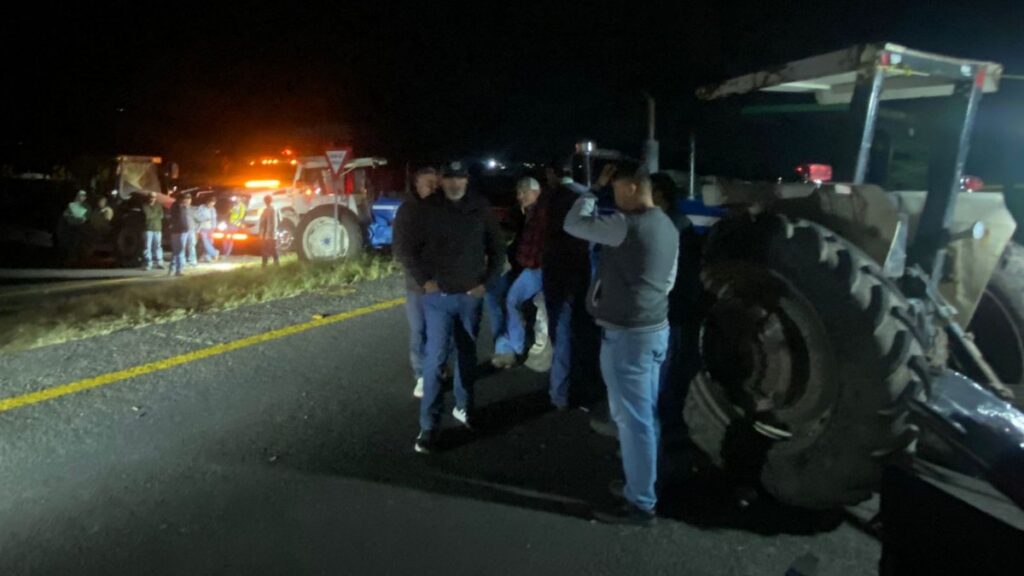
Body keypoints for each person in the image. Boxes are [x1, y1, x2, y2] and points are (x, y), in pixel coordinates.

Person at [564, 161, 679, 526]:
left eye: (615, 191)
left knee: (634, 421)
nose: (612, 198)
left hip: (630, 337)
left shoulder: (627, 225)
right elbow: (669, 281)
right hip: (652, 330)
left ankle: (641, 503)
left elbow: (574, 225)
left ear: (631, 188)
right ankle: (642, 483)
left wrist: (592, 192)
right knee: (642, 416)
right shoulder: (666, 224)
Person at [401, 161, 505, 454]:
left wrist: (486, 282)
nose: (455, 183)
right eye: (449, 178)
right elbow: (408, 249)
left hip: (470, 296)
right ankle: (429, 426)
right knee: (435, 361)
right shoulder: (427, 208)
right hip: (438, 299)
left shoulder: (480, 207)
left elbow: (497, 249)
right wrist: (425, 280)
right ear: (443, 180)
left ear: (467, 180)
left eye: (460, 178)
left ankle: (464, 407)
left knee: (467, 353)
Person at [651, 173, 702, 438]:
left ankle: (661, 439)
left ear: (659, 194)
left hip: (666, 311)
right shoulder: (682, 224)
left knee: (661, 374)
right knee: (668, 372)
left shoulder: (666, 227)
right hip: (676, 309)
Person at [541, 159, 592, 410]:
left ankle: (560, 394)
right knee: (579, 334)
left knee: (560, 334)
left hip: (559, 275)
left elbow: (550, 238)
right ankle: (579, 388)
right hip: (584, 274)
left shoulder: (555, 197)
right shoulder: (586, 194)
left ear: (552, 172)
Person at [394, 167, 440, 398]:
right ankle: (421, 375)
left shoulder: (445, 210)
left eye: (435, 183)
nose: (432, 188)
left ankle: (439, 368)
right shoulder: (408, 212)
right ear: (417, 186)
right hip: (418, 286)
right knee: (420, 330)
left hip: (444, 283)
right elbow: (402, 251)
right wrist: (424, 280)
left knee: (441, 331)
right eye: (427, 184)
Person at [492, 177, 547, 369]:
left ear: (536, 192)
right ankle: (511, 342)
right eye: (518, 192)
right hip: (526, 268)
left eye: (523, 191)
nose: (519, 196)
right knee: (501, 296)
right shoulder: (526, 212)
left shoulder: (541, 213)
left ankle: (514, 346)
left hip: (535, 269)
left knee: (511, 300)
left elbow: (535, 248)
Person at [167, 194, 193, 277]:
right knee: (179, 251)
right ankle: (178, 270)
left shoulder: (183, 207)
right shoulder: (178, 207)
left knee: (176, 251)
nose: (188, 201)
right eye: (187, 199)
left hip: (183, 231)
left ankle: (172, 269)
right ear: (182, 199)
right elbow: (179, 220)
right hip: (178, 231)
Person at [62, 190, 89, 261]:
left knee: (78, 241)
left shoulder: (87, 206)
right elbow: (65, 214)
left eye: (84, 196)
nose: (82, 197)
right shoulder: (71, 205)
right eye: (81, 196)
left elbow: (86, 217)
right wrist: (71, 216)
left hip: (80, 227)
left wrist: (82, 218)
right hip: (71, 226)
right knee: (71, 242)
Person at [142, 192, 165, 270]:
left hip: (157, 228)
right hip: (148, 229)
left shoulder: (158, 205)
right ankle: (148, 263)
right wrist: (157, 214)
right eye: (151, 197)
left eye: (154, 197)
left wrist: (155, 214)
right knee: (147, 247)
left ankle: (160, 263)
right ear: (149, 198)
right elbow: (148, 215)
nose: (152, 198)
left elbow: (161, 215)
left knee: (158, 246)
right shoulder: (145, 205)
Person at [195, 197, 220, 263]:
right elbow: (197, 217)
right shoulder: (201, 208)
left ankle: (207, 257)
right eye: (210, 204)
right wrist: (204, 219)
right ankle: (214, 253)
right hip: (203, 227)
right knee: (205, 242)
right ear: (207, 202)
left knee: (210, 242)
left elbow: (214, 219)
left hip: (210, 228)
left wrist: (214, 228)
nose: (211, 206)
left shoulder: (213, 209)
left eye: (213, 204)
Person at [259, 195, 280, 267]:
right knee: (274, 249)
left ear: (265, 201)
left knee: (265, 249)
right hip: (274, 233)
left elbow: (262, 223)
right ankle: (277, 264)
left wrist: (261, 234)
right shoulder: (276, 209)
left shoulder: (266, 210)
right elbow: (280, 220)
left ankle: (264, 265)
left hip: (267, 234)